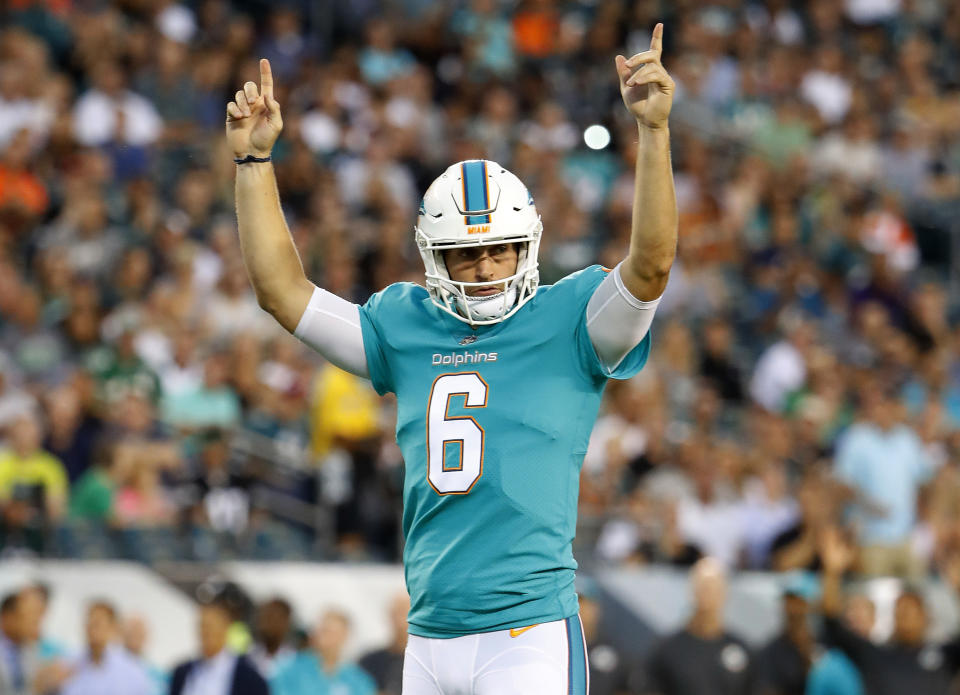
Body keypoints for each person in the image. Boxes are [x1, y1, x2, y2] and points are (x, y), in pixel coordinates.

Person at [228, 17, 677, 693]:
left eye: (500, 249)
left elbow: (651, 265)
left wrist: (653, 131)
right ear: (434, 257)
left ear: (527, 246)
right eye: (465, 254)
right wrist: (254, 163)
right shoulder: (406, 323)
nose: (486, 267)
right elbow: (281, 292)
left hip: (526, 631)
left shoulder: (569, 317)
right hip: (430, 633)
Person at [818, 526, 960, 695]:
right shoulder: (876, 655)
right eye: (900, 612)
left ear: (926, 617)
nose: (905, 618)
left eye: (912, 612)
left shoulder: (944, 655)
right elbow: (831, 620)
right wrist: (832, 572)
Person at [641, 557, 756, 695]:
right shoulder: (667, 649)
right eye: (703, 587)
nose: (707, 593)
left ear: (725, 592)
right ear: (692, 591)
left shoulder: (742, 649)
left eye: (713, 587)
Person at [169, 596, 268, 695]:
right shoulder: (182, 672)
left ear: (225, 628)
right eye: (202, 626)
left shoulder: (249, 678)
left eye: (212, 627)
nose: (206, 633)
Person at [271, 609, 375, 695]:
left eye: (332, 633)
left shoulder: (358, 680)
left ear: (345, 636)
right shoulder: (290, 668)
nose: (326, 638)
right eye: (322, 631)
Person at [61, 600, 153, 695]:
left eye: (97, 624)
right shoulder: (69, 663)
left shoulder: (133, 675)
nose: (90, 629)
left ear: (112, 628)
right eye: (88, 622)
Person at [359, 593, 410, 695]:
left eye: (404, 613)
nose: (399, 620)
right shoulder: (369, 661)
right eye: (395, 613)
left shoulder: (428, 663)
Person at [248, 597, 295, 679]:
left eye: (273, 618)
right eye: (264, 617)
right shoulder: (249, 656)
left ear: (286, 623)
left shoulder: (293, 661)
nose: (266, 624)